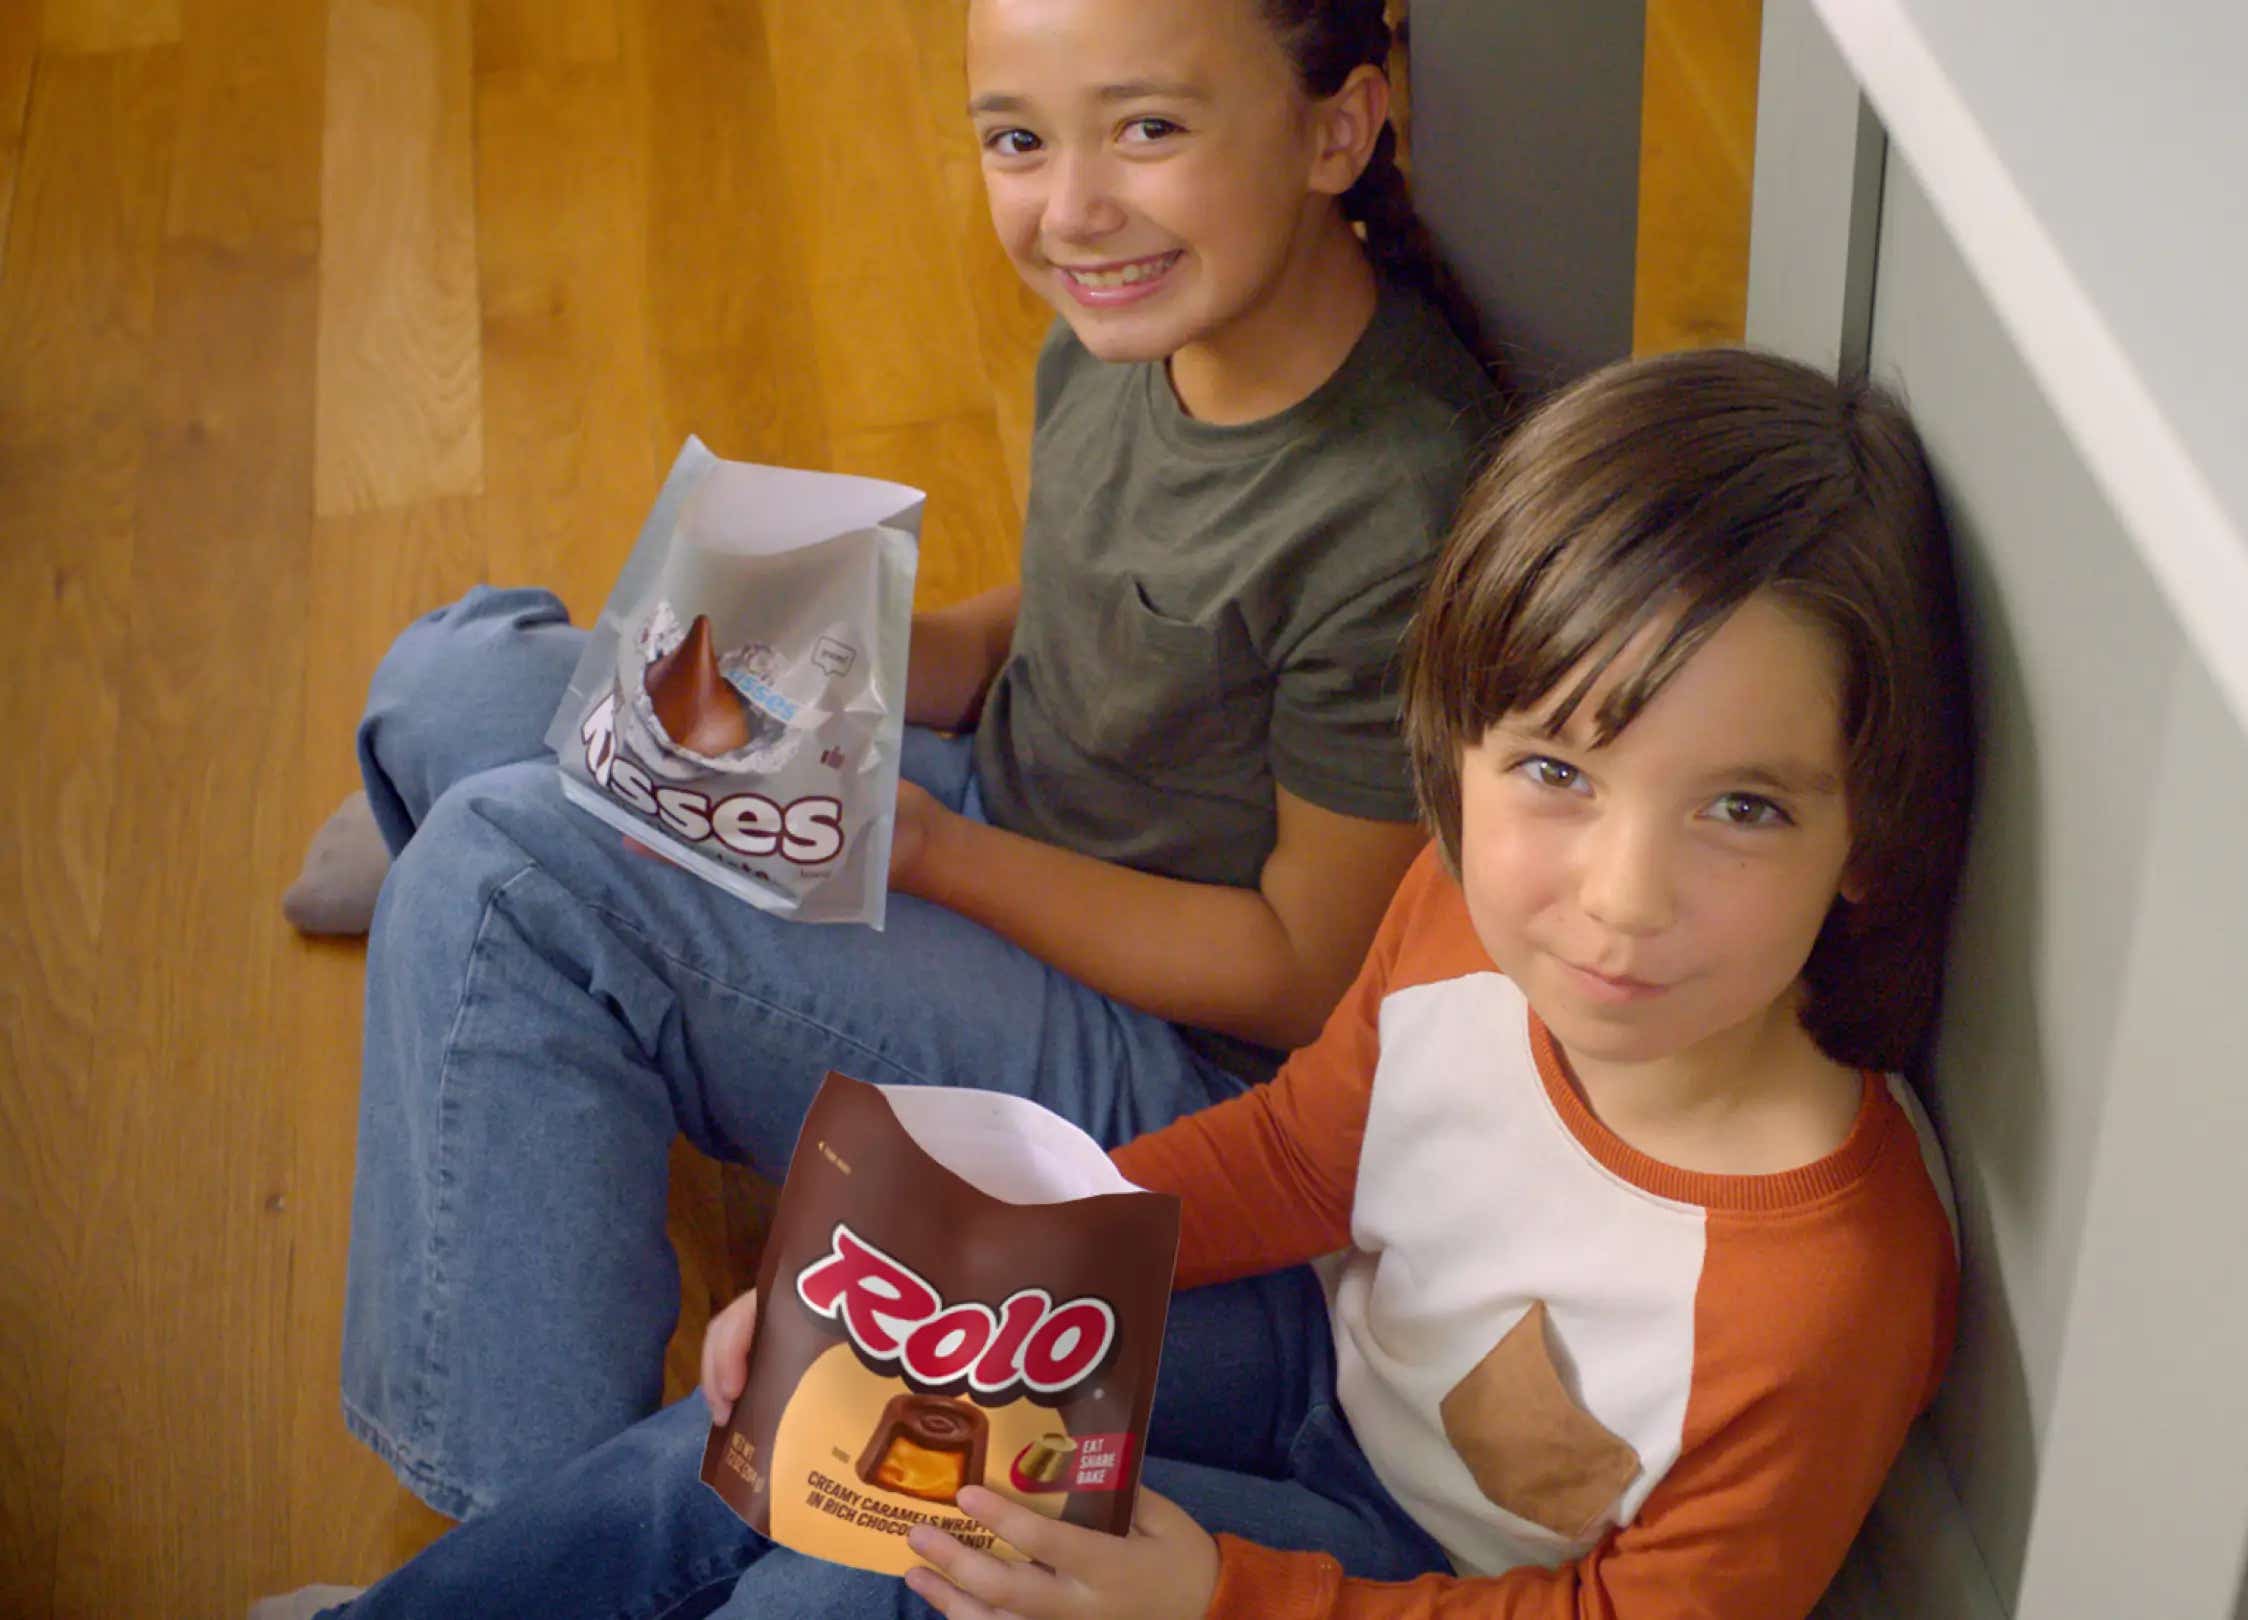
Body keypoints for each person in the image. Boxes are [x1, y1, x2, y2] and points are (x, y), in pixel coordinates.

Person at [257, 346, 1982, 1620]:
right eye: (1556, 774)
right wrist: (921, 1272)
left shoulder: (1829, 1283)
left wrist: (1220, 1597)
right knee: (809, 1387)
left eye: (1740, 808)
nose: (1620, 897)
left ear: (1869, 830)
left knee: (870, 1586)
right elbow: (1310, 1151)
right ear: (1459, 756)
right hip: (1310, 1356)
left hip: (1404, 1574)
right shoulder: (1462, 912)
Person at [329, 0, 1498, 1525]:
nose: (1070, 207)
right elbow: (1098, 608)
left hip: (1173, 1067)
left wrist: (924, 849)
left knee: (505, 874)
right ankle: (512, 955)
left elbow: (1297, 974)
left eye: (1148, 128)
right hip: (1010, 812)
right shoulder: (1136, 327)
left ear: (1339, 126)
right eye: (1019, 138)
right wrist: (878, 651)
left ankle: (534, 1542)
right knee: (448, 680)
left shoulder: (1398, 507)